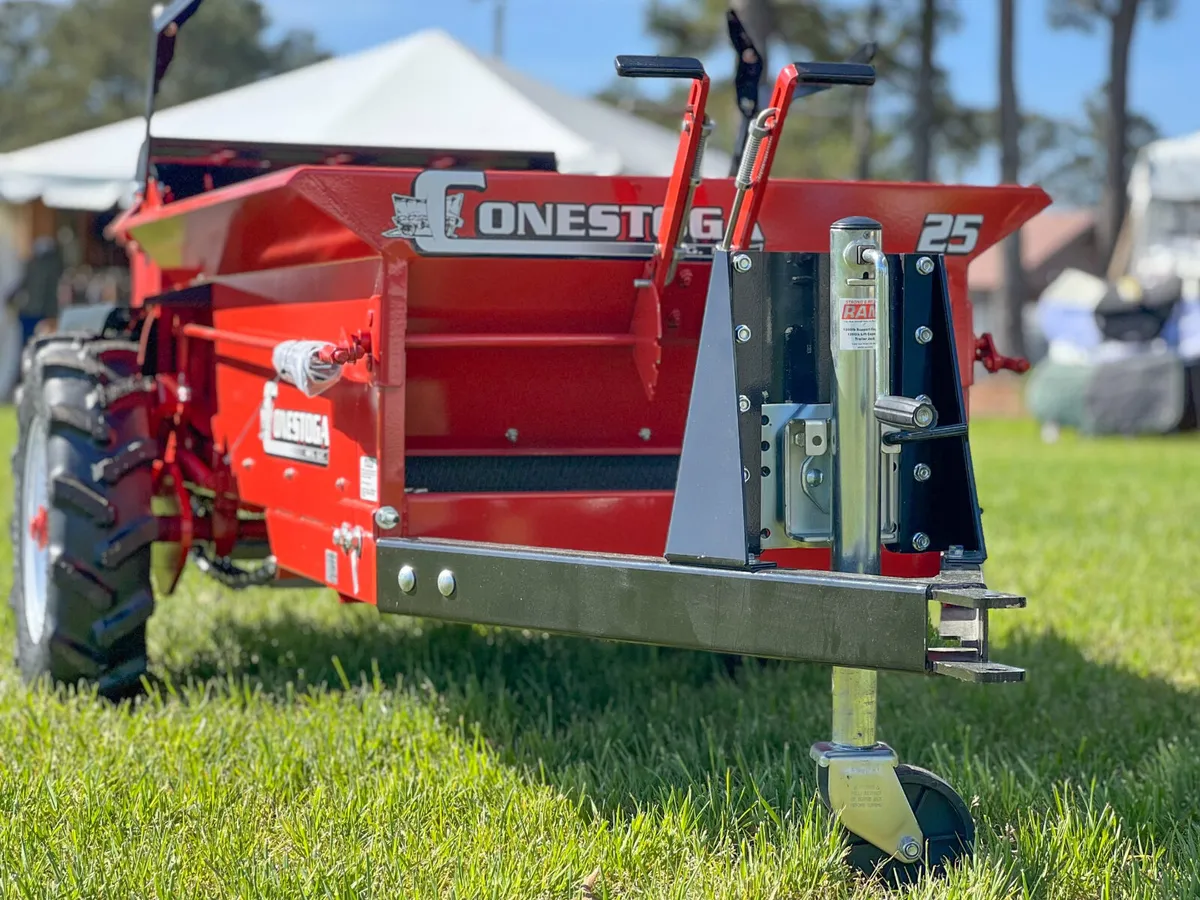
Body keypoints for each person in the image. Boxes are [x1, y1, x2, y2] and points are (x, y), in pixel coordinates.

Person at [3, 235, 65, 347]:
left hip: (32, 312)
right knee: (37, 345)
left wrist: (10, 298)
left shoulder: (34, 265)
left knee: (29, 344)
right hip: (39, 313)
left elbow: (23, 284)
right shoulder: (52, 267)